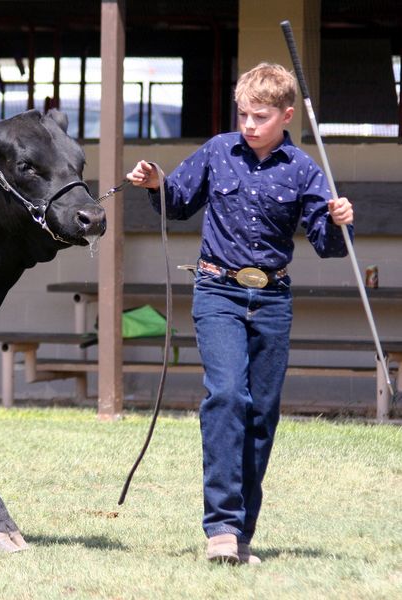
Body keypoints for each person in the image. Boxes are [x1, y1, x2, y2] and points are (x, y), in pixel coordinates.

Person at [126, 62, 354, 565]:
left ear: (286, 115)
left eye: (261, 116)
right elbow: (177, 202)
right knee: (227, 394)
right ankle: (222, 529)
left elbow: (328, 246)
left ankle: (242, 531)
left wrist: (339, 221)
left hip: (272, 300)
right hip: (217, 290)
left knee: (260, 414)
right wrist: (155, 181)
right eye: (244, 114)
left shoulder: (304, 171)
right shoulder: (217, 151)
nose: (249, 124)